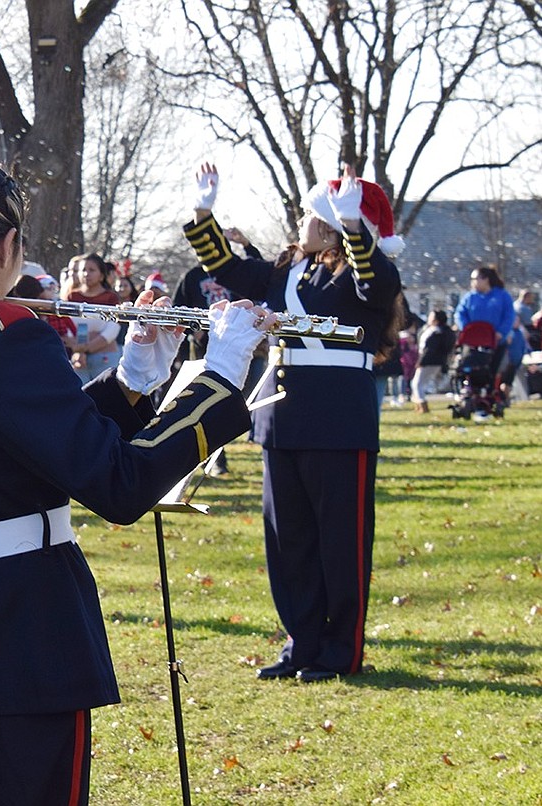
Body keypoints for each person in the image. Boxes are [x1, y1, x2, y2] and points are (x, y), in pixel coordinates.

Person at [0, 154, 273, 804]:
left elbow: (11, 442)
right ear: (9, 243)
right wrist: (216, 377)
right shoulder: (6, 337)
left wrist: (134, 381)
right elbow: (119, 484)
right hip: (18, 643)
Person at [184, 161, 403, 683]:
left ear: (329, 225)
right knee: (289, 541)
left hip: (339, 418)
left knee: (340, 540)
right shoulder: (287, 270)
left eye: (310, 214)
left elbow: (379, 282)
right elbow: (229, 269)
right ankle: (300, 641)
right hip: (282, 415)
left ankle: (340, 649)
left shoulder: (358, 272)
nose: (300, 220)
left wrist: (354, 228)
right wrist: (202, 213)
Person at [67, 253, 122, 382]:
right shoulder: (72, 297)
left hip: (104, 354)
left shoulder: (110, 297)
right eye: (83, 270)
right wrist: (78, 349)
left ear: (102, 275)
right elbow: (70, 324)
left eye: (91, 270)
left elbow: (112, 328)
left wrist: (89, 346)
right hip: (78, 356)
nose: (86, 274)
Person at [454, 265, 515, 373]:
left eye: (475, 279)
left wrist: (501, 332)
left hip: (495, 341)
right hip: (473, 342)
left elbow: (509, 316)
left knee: (492, 372)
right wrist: (466, 328)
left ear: (485, 279)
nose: (472, 282)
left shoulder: (502, 296)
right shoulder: (470, 297)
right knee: (470, 370)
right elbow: (459, 313)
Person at [411, 309, 454, 412]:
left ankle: (422, 405)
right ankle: (418, 404)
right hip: (436, 361)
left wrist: (421, 362)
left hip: (429, 361)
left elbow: (429, 349)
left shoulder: (436, 332)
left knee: (417, 383)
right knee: (420, 383)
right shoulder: (442, 331)